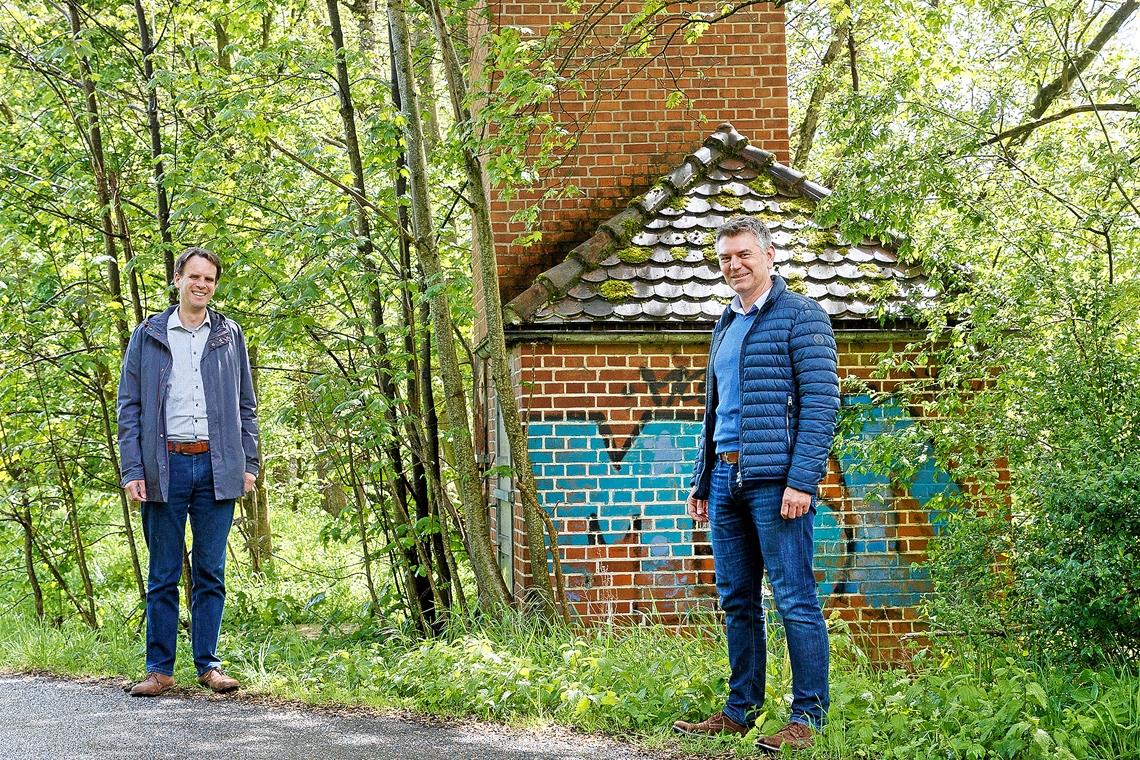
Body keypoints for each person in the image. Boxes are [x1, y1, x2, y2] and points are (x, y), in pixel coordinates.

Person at [672, 216, 839, 751]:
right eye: (724, 257)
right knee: (737, 599)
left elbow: (821, 404)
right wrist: (703, 481)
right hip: (725, 479)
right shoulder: (725, 322)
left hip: (777, 483)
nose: (733, 265)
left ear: (769, 256)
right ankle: (740, 710)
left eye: (743, 254)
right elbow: (714, 410)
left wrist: (802, 480)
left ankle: (807, 718)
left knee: (794, 598)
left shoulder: (802, 316)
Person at [117, 247, 259, 697]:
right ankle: (159, 670)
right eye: (194, 276)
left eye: (210, 279)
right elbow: (130, 406)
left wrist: (249, 463)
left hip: (218, 467)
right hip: (165, 466)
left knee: (210, 571)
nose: (202, 285)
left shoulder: (228, 334)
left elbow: (246, 405)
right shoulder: (149, 335)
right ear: (177, 279)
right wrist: (133, 468)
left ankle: (209, 665)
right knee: (162, 574)